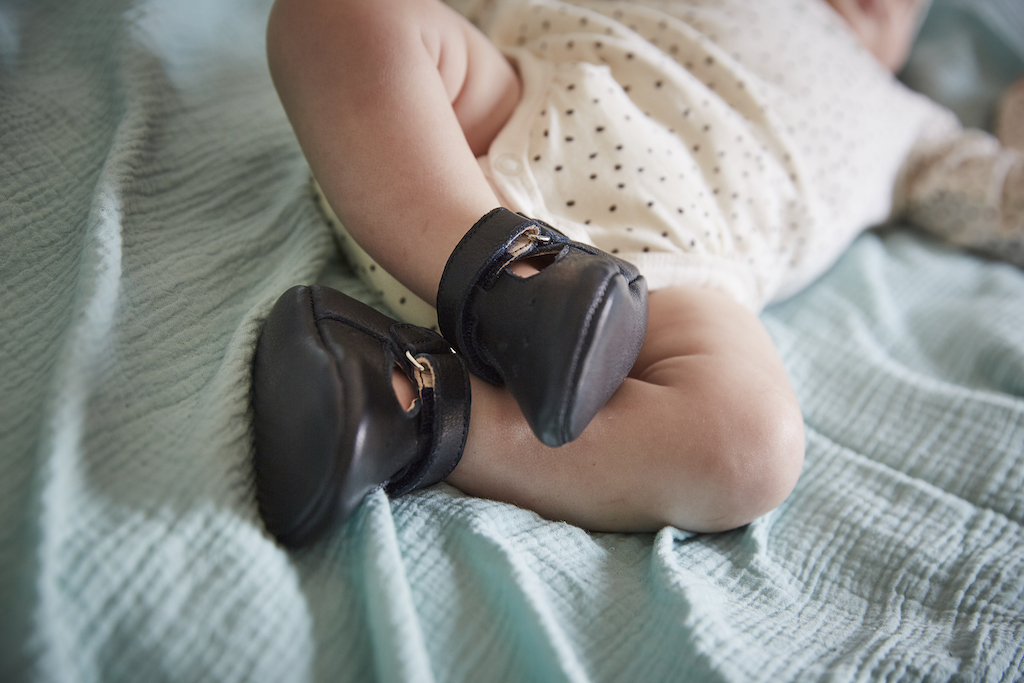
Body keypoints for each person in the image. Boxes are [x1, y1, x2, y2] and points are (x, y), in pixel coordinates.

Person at [251, 0, 1023, 547]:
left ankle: (410, 405)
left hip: (665, 279)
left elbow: (1007, 200)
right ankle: (501, 278)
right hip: (486, 140)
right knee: (342, 11)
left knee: (751, 444)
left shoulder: (910, 121)